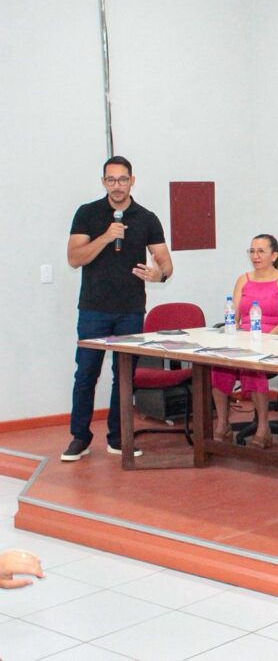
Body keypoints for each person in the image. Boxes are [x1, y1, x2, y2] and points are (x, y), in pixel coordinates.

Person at [63, 156, 174, 462]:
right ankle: (79, 438)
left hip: (131, 310)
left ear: (132, 181)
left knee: (123, 376)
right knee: (86, 373)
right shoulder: (87, 213)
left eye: (122, 179)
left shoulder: (147, 218)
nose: (117, 186)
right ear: (103, 182)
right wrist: (106, 237)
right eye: (111, 180)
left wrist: (159, 274)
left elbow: (165, 262)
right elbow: (74, 258)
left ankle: (118, 437)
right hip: (94, 309)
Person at [211, 234, 278, 448]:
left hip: (272, 340)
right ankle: (223, 423)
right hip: (243, 339)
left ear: (274, 255)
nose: (255, 256)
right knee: (218, 366)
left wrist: (265, 341)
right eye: (252, 251)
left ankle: (263, 428)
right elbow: (234, 317)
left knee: (254, 367)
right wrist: (232, 337)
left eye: (261, 251)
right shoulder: (244, 279)